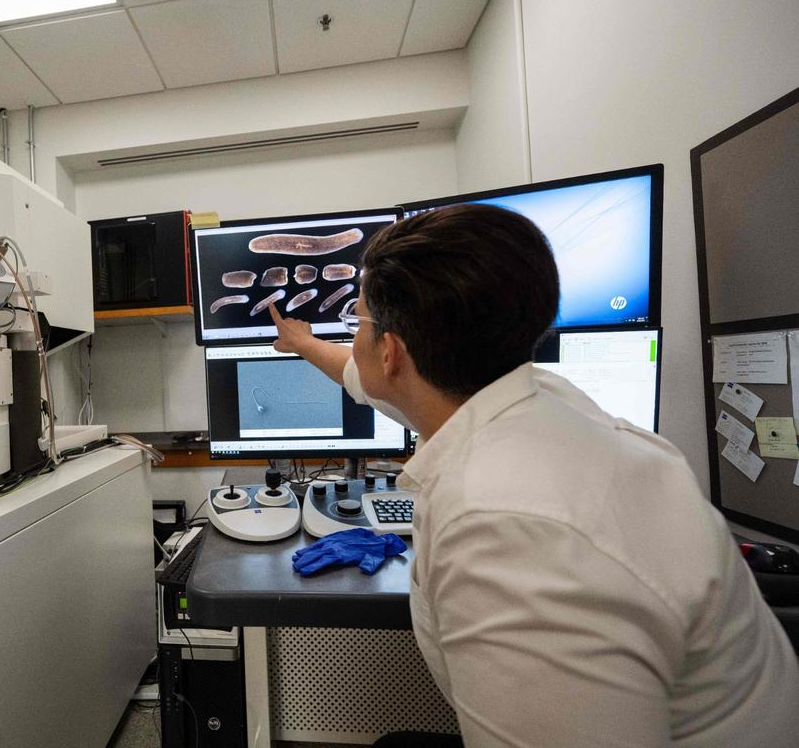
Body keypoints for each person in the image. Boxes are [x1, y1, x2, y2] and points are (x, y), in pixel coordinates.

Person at [267, 204, 799, 747]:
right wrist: (304, 343)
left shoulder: (509, 534)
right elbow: (365, 377)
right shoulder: (525, 393)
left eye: (359, 322)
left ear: (391, 349)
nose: (357, 339)